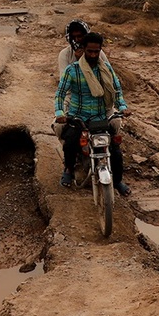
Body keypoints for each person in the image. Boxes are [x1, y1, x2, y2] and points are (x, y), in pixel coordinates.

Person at [54, 32, 132, 196]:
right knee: (69, 144)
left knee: (115, 150)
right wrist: (60, 112)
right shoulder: (72, 70)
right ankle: (68, 169)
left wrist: (123, 107)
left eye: (96, 51)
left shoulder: (106, 68)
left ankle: (117, 181)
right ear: (83, 49)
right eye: (90, 51)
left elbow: (116, 91)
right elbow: (60, 94)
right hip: (78, 117)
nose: (93, 55)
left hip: (99, 118)